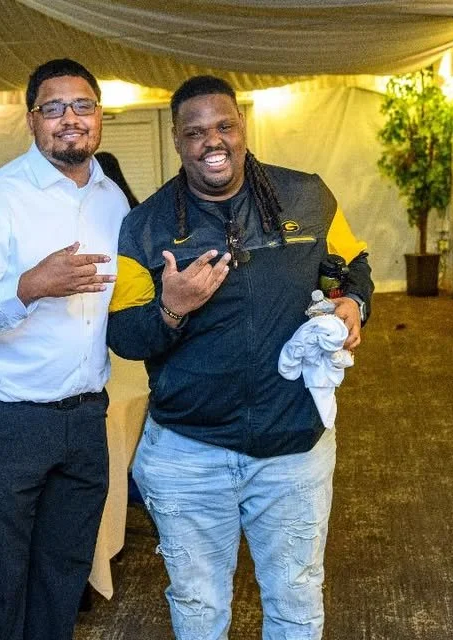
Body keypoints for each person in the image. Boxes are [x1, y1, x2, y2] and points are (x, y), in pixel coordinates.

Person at [107, 75, 374, 639]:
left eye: (224, 125)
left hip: (292, 446)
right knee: (199, 609)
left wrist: (353, 303)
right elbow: (125, 336)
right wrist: (172, 309)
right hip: (188, 452)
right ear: (177, 140)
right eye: (195, 132)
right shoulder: (144, 227)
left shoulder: (308, 196)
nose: (213, 141)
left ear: (242, 127)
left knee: (296, 600)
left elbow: (352, 267)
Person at [0, 59, 129, 640]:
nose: (70, 118)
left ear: (99, 116)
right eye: (54, 107)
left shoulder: (113, 200)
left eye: (83, 105)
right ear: (31, 120)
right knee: (1, 584)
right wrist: (28, 286)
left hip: (85, 418)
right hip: (4, 423)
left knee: (63, 579)